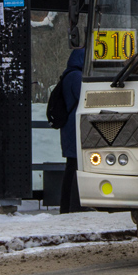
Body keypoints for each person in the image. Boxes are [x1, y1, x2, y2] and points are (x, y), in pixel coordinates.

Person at [58, 47, 85, 214]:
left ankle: (66, 206)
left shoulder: (67, 75)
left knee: (70, 167)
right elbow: (85, 99)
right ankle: (75, 206)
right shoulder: (77, 77)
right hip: (76, 129)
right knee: (76, 167)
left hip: (69, 129)